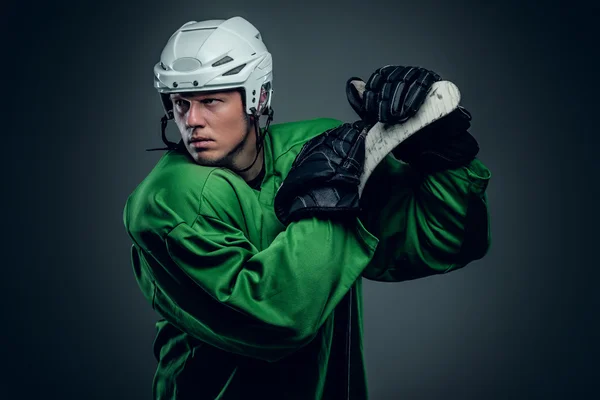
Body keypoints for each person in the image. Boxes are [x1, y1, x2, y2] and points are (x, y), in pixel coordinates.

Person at [123, 16, 492, 400]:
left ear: (258, 97)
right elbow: (278, 320)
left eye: (210, 100)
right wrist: (331, 199)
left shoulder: (318, 151)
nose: (192, 121)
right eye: (180, 103)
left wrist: (440, 156)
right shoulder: (165, 203)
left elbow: (445, 242)